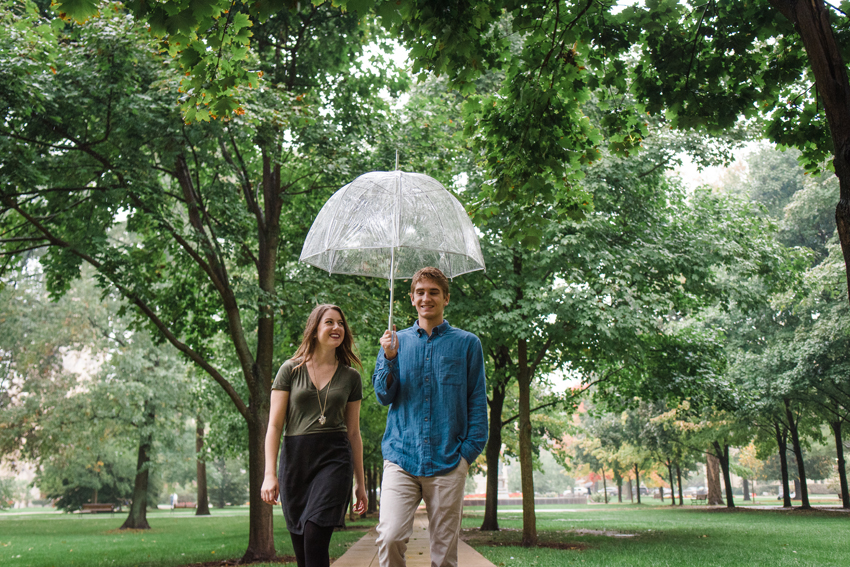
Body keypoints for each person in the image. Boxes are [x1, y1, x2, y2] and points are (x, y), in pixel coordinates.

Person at [372, 266, 488, 567]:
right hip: (402, 457)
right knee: (390, 537)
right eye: (420, 292)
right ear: (411, 298)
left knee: (444, 554)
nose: (427, 298)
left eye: (433, 292)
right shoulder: (394, 342)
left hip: (448, 461)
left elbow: (476, 402)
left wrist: (467, 454)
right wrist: (389, 358)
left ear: (446, 298)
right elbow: (383, 396)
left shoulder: (467, 344)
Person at [261, 304, 367, 567]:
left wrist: (360, 483)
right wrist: (269, 474)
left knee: (314, 534)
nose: (337, 328)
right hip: (296, 461)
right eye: (329, 322)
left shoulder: (351, 377)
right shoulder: (290, 370)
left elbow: (354, 432)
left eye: (341, 323)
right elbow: (274, 426)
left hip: (334, 459)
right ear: (314, 329)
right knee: (302, 551)